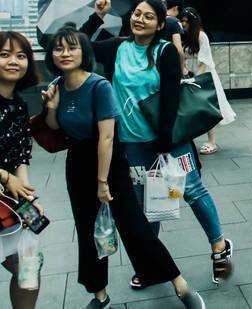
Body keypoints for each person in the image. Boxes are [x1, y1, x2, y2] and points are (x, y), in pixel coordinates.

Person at [41, 26, 204, 309]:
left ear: (84, 52)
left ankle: (179, 284)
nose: (65, 54)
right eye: (58, 48)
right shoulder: (57, 85)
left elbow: (106, 137)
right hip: (77, 163)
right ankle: (100, 295)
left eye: (72, 47)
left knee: (134, 226)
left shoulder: (98, 85)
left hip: (109, 162)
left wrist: (102, 182)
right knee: (88, 230)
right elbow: (55, 128)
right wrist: (52, 107)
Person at [80, 0, 233, 288]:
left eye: (148, 16)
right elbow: (76, 45)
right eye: (137, 13)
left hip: (168, 141)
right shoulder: (117, 49)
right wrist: (97, 16)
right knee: (148, 204)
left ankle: (219, 246)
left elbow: (172, 98)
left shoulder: (164, 52)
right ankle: (152, 263)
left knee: (192, 191)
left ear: (160, 24)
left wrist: (164, 142)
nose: (140, 19)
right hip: (132, 143)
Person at [0, 31, 41, 309]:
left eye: (21, 55)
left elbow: (21, 156)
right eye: (4, 55)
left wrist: (27, 198)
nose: (13, 61)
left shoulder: (19, 105)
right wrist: (5, 178)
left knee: (29, 266)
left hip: (6, 205)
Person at [180, 7, 236, 155]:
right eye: (183, 21)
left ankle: (212, 141)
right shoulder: (182, 35)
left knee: (206, 107)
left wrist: (197, 79)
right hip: (189, 75)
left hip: (203, 75)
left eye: (187, 21)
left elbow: (204, 61)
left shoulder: (201, 35)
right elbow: (182, 56)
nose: (184, 24)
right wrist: (184, 71)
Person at [162, 0, 188, 77]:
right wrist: (182, 68)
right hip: (170, 65)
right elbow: (179, 50)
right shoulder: (174, 22)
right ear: (175, 8)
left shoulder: (157, 20)